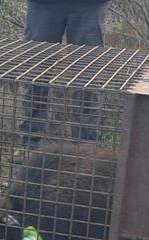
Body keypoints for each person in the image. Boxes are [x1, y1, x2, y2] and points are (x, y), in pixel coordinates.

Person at [19, 0, 110, 147]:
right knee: (36, 74)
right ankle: (29, 145)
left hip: (89, 5)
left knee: (86, 79)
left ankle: (86, 150)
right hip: (43, 5)